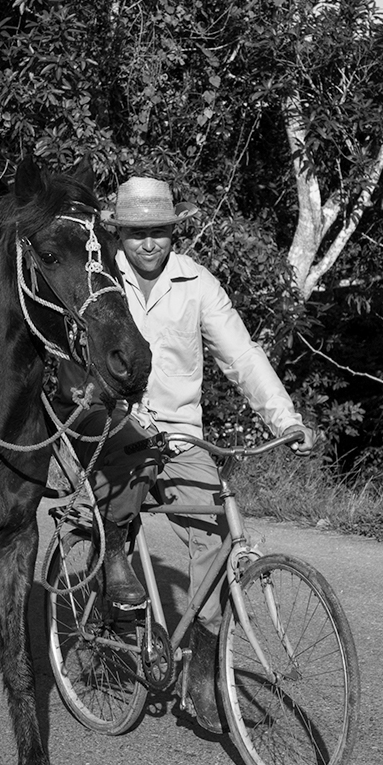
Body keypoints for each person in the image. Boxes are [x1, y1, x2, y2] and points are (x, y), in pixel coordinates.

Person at [54, 175, 315, 734]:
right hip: (112, 429)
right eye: (136, 233)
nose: (149, 244)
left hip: (181, 438)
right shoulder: (95, 282)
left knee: (216, 541)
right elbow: (67, 357)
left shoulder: (198, 284)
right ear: (117, 234)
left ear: (174, 232)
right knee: (113, 511)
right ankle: (113, 571)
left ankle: (200, 668)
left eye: (160, 233)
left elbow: (241, 356)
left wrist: (285, 418)